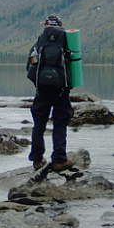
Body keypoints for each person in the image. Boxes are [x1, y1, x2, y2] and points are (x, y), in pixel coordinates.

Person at [26, 14, 74, 171]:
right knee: (60, 124)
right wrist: (67, 86)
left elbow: (31, 66)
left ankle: (37, 159)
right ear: (60, 24)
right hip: (61, 90)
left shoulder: (40, 41)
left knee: (39, 124)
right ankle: (59, 159)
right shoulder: (66, 40)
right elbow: (74, 65)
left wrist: (38, 84)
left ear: (46, 25)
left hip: (42, 90)